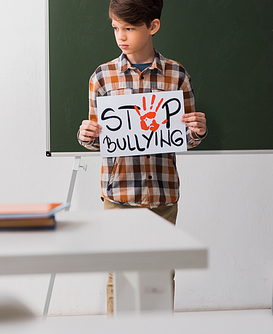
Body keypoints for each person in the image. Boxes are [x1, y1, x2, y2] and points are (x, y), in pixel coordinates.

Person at [77, 0, 207, 314]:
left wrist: (198, 131)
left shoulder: (177, 75)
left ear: (153, 26)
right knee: (119, 273)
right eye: (116, 28)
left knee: (159, 273)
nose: (121, 36)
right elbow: (103, 140)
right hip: (119, 193)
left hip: (162, 193)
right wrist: (88, 137)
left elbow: (184, 136)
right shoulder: (103, 77)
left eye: (130, 28)